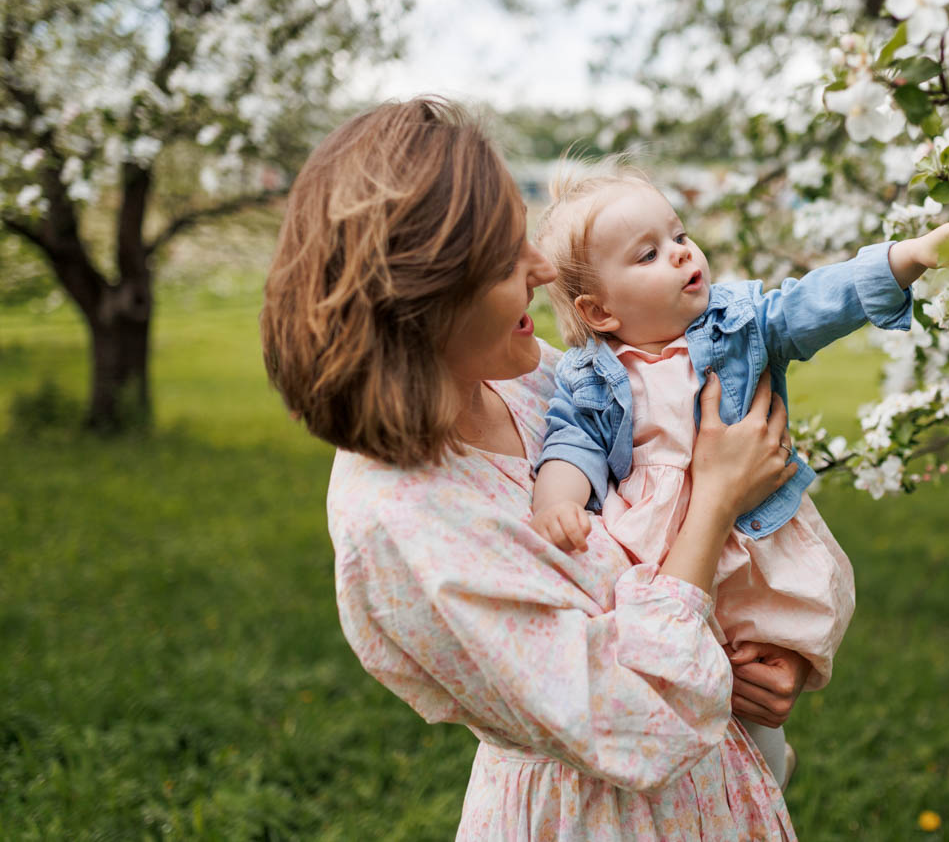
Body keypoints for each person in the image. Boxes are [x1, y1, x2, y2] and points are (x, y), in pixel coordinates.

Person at [260, 97, 812, 840]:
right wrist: (717, 496)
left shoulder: (524, 380)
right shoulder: (406, 524)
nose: (544, 268)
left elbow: (660, 550)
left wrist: (749, 660)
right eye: (504, 260)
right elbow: (645, 718)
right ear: (421, 302)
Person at [527, 162, 949, 786]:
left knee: (750, 678)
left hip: (747, 544)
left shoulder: (738, 325)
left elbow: (814, 303)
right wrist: (558, 503)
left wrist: (909, 256)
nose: (683, 254)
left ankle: (766, 772)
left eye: (680, 235)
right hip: (659, 560)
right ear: (599, 309)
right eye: (649, 254)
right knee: (681, 674)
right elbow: (571, 444)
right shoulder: (587, 377)